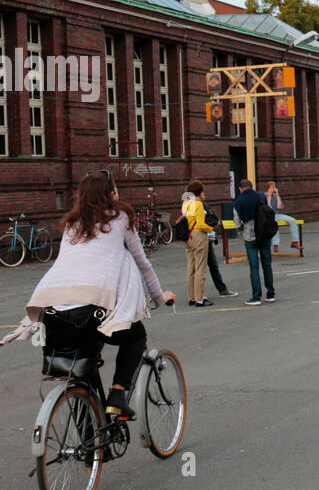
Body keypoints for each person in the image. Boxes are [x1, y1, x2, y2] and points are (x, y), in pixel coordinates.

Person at [24, 169, 175, 418]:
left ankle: (89, 447)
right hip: (93, 310)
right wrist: (160, 297)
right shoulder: (121, 218)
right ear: (111, 194)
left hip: (54, 312)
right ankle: (117, 395)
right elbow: (142, 263)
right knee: (135, 337)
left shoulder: (72, 224)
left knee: (83, 368)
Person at [233, 179, 276, 305]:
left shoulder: (238, 201)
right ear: (252, 187)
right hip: (264, 235)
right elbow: (268, 211)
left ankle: (256, 297)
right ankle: (270, 294)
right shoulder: (261, 196)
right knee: (267, 265)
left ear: (240, 189)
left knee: (254, 268)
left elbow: (237, 223)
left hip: (249, 237)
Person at [181, 180, 214, 306]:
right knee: (200, 267)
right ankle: (200, 298)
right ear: (199, 192)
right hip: (198, 235)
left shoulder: (185, 203)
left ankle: (192, 297)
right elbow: (200, 224)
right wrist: (210, 228)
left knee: (191, 267)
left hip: (187, 236)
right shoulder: (198, 204)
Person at [265, 181, 301, 251]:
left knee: (292, 220)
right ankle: (276, 244)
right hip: (268, 216)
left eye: (275, 187)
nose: (274, 189)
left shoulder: (276, 196)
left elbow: (279, 207)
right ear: (268, 188)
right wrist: (269, 195)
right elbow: (268, 208)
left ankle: (295, 242)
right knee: (274, 224)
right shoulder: (264, 195)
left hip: (277, 215)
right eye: (273, 187)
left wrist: (277, 195)